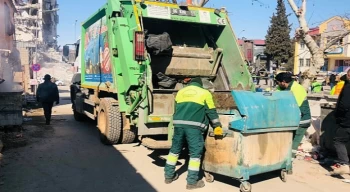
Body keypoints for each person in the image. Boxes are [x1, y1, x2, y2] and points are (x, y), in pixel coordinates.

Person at [164, 77, 222, 190]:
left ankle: (168, 176)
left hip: (178, 125)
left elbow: (176, 109)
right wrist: (217, 126)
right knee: (195, 154)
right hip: (194, 127)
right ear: (201, 85)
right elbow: (211, 111)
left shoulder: (181, 92)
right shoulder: (205, 93)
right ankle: (192, 182)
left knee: (174, 150)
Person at [275, 72, 311, 159]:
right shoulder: (283, 87)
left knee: (294, 143)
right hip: (292, 120)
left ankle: (288, 163)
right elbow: (276, 96)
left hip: (302, 121)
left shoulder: (298, 89)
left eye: (278, 82)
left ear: (283, 82)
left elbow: (293, 107)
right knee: (287, 141)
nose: (277, 84)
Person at [331, 75, 350, 175]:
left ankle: (344, 164)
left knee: (338, 141)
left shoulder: (348, 87)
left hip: (346, 121)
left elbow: (344, 105)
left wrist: (338, 116)